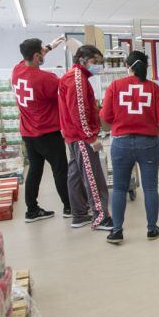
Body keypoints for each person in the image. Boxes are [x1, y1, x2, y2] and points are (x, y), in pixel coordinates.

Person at [99, 51, 159, 245]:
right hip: (148, 143)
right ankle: (152, 228)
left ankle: (116, 231)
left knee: (120, 189)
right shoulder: (154, 88)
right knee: (149, 188)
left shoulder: (115, 86)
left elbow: (105, 116)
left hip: (121, 143)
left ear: (127, 65)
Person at [11, 37, 71, 223]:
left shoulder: (17, 70)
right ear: (37, 56)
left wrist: (51, 47)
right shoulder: (46, 79)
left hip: (28, 133)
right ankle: (70, 207)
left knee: (35, 170)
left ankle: (32, 210)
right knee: (60, 170)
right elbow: (67, 88)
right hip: (48, 133)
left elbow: (34, 56)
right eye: (41, 52)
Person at [58, 44, 113, 231]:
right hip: (81, 137)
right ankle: (101, 218)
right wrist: (90, 137)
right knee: (93, 176)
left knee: (75, 174)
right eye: (94, 62)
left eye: (99, 62)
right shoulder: (77, 80)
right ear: (82, 60)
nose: (97, 65)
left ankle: (79, 214)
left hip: (73, 136)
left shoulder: (74, 77)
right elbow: (79, 112)